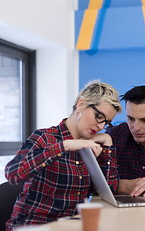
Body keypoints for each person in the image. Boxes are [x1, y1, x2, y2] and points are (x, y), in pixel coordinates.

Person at [5, 81, 122, 230]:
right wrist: (66, 145)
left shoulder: (92, 147)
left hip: (70, 226)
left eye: (106, 122)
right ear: (81, 105)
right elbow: (12, 174)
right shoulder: (45, 137)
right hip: (33, 225)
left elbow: (108, 192)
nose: (100, 126)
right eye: (99, 116)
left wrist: (108, 143)